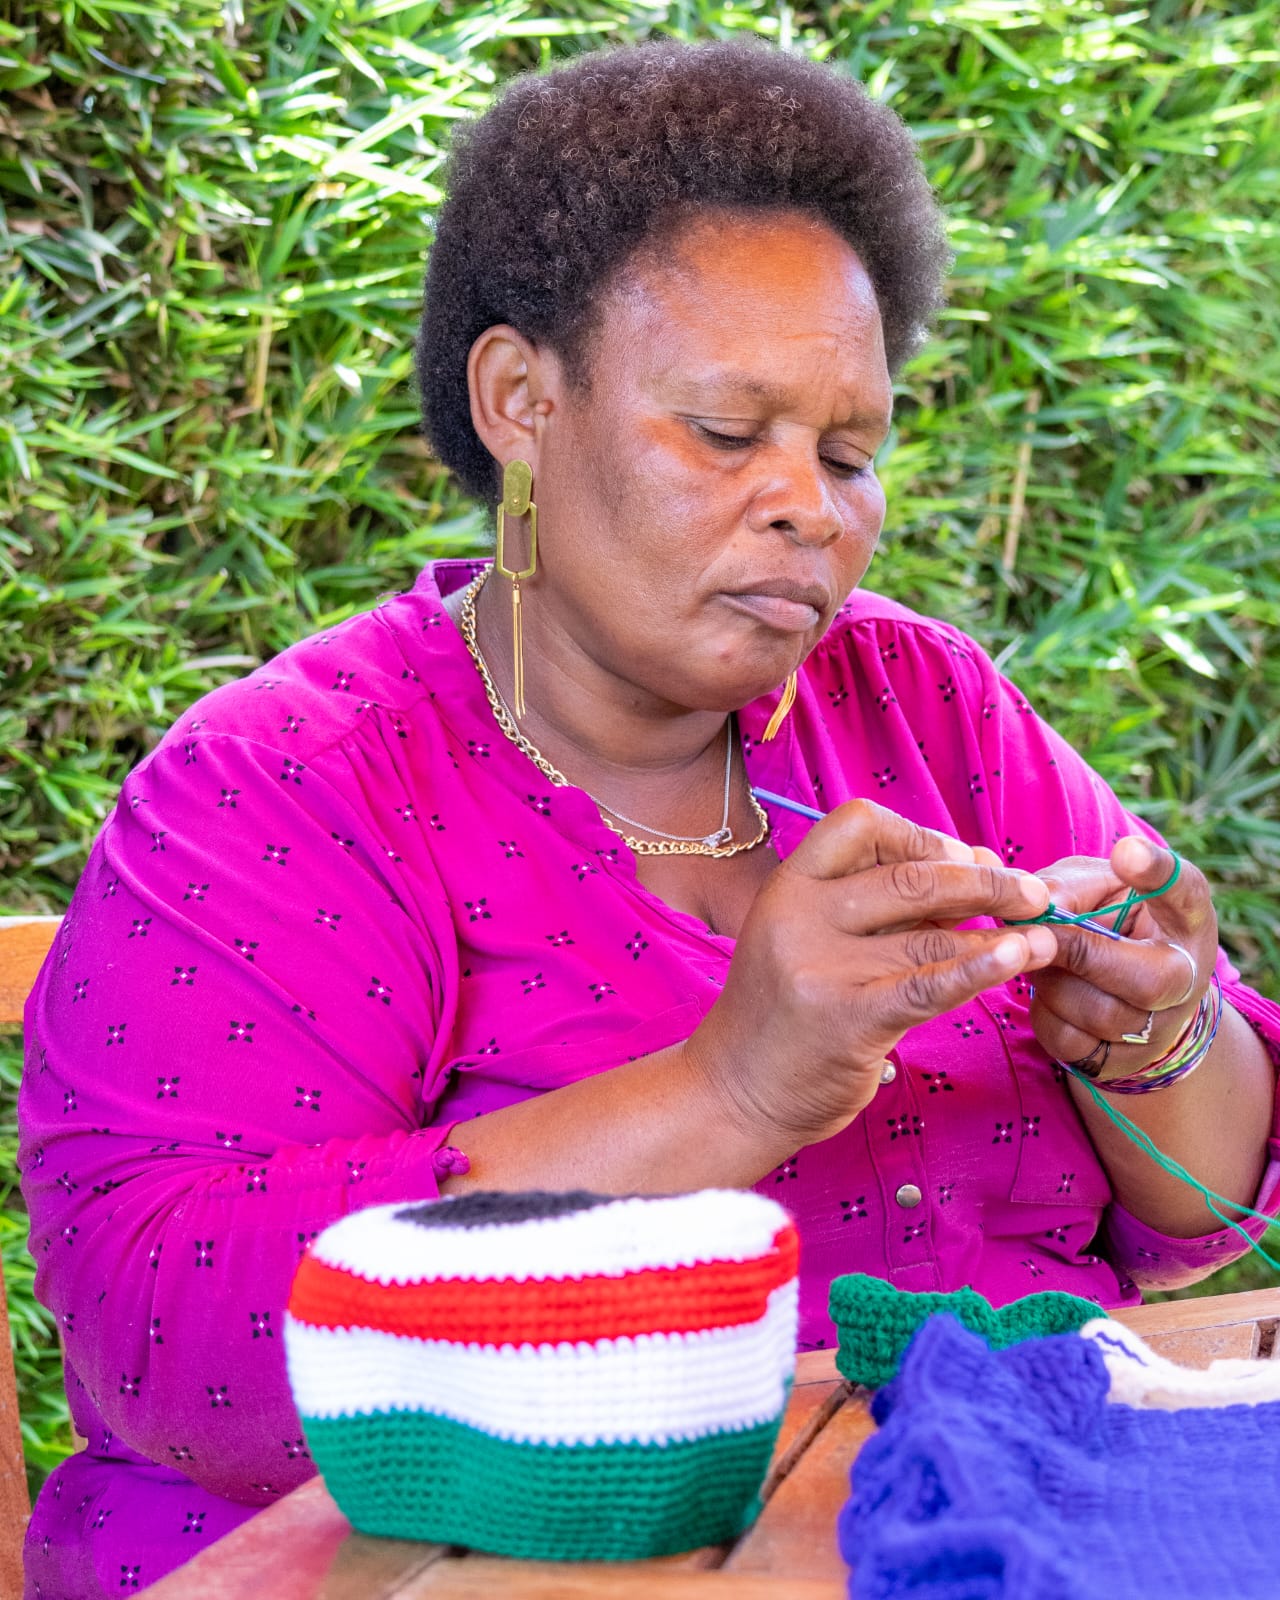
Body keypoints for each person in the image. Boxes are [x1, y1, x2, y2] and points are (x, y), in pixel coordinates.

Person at [19, 39, 1280, 1600]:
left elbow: (1199, 1215)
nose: (810, 505)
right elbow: (168, 1335)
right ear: (520, 402)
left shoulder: (927, 708)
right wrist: (729, 1089)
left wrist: (1154, 1032)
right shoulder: (285, 787)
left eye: (849, 451)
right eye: (727, 431)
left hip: (1027, 1521)